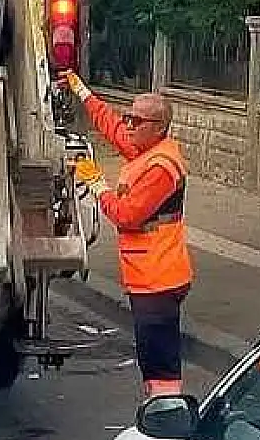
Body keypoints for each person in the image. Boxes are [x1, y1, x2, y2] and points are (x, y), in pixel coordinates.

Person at [58, 69, 194, 398]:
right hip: (150, 275)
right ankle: (160, 408)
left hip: (158, 278)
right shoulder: (147, 149)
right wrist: (82, 92)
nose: (129, 125)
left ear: (159, 128)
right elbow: (111, 126)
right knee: (153, 359)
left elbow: (127, 216)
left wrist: (96, 183)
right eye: (128, 117)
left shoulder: (162, 167)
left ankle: (166, 418)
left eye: (137, 121)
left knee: (160, 364)